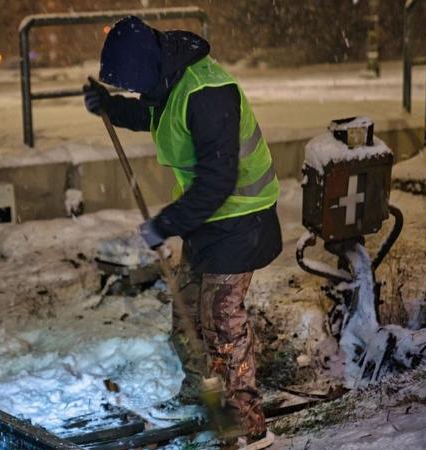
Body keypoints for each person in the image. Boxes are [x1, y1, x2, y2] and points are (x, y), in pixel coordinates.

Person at [83, 16, 282, 449]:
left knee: (223, 325)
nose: (136, 93)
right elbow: (153, 112)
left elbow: (217, 180)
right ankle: (201, 398)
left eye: (133, 84)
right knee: (186, 313)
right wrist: (110, 106)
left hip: (241, 220)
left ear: (148, 67)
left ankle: (247, 427)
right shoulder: (168, 80)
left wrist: (165, 224)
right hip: (207, 220)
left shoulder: (207, 93)